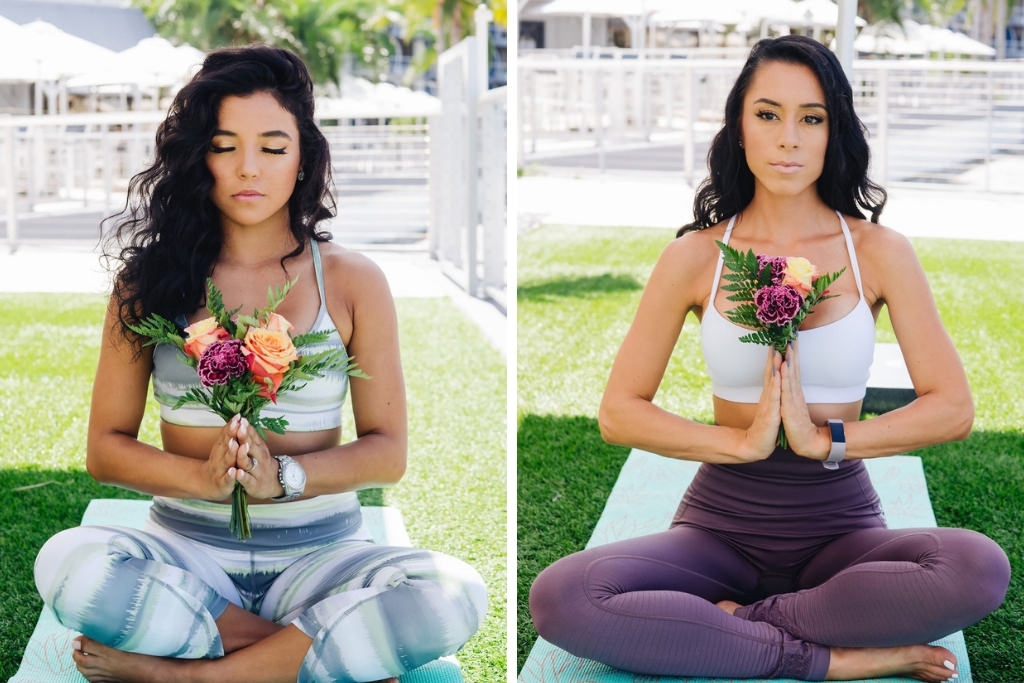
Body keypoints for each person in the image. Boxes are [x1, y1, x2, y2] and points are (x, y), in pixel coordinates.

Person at [529, 35, 1009, 682]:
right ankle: (828, 656)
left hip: (842, 527)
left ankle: (734, 624)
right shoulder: (696, 257)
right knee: (562, 595)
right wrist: (741, 442)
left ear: (833, 131)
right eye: (768, 114)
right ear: (739, 126)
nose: (788, 138)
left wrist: (825, 440)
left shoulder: (879, 251)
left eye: (811, 118)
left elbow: (952, 408)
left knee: (979, 567)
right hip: (719, 527)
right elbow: (619, 413)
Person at [33, 46, 487, 683]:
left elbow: (388, 454)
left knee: (456, 594)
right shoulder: (147, 282)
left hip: (320, 561)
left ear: (303, 157)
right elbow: (105, 450)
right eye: (225, 146)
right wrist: (206, 482)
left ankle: (181, 675)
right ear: (199, 157)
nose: (249, 168)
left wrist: (285, 479)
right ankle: (313, 655)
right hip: (185, 558)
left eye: (273, 147)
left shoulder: (353, 281)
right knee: (65, 563)